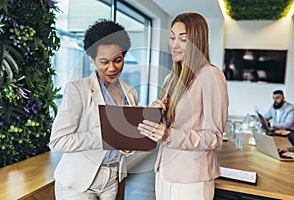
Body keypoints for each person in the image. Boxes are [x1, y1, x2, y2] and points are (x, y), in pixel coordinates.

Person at [138, 12, 228, 200]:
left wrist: (171, 136)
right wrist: (156, 113)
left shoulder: (211, 75)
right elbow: (167, 126)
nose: (174, 45)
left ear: (197, 42)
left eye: (183, 39)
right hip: (163, 171)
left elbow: (214, 137)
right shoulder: (170, 78)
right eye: (172, 37)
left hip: (192, 177)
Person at [49, 19, 138, 200]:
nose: (112, 68)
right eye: (104, 61)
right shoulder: (77, 90)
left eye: (118, 60)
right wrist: (106, 135)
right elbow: (58, 141)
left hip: (112, 180)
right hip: (78, 183)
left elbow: (127, 136)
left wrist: (129, 146)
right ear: (92, 59)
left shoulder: (130, 93)